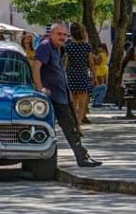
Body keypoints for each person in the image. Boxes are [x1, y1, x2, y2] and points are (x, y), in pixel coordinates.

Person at [31, 22, 102, 168]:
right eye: (59, 34)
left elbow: (59, 71)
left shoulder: (58, 48)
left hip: (62, 93)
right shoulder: (45, 46)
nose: (62, 37)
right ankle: (81, 157)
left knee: (72, 126)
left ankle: (82, 156)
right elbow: (36, 67)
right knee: (69, 127)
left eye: (64, 35)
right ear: (51, 34)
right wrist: (40, 89)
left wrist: (67, 90)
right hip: (53, 95)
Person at [64, 22, 96, 126]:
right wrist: (94, 76)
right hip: (83, 75)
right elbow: (91, 63)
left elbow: (65, 63)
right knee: (82, 104)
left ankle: (73, 123)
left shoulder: (68, 47)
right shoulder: (87, 47)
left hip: (71, 76)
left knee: (72, 103)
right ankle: (78, 124)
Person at [119, 43, 136, 119]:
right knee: (131, 95)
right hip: (132, 77)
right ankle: (129, 112)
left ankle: (129, 112)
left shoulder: (127, 61)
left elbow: (122, 67)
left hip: (126, 77)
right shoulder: (134, 61)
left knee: (128, 94)